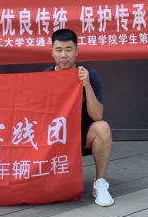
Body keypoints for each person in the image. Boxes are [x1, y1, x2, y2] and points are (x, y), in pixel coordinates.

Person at [45, 28, 114, 207]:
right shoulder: (44, 76)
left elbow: (97, 115)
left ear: (77, 51)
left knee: (103, 128)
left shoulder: (90, 74)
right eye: (59, 50)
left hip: (82, 135)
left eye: (69, 49)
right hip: (55, 136)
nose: (64, 55)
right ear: (52, 52)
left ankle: (100, 184)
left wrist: (87, 85)